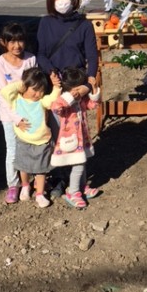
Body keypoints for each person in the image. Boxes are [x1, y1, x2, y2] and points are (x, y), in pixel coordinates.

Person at [37, 0, 99, 195]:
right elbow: (41, 54)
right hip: (54, 86)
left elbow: (92, 55)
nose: (60, 1)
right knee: (58, 134)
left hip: (76, 87)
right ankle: (61, 179)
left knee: (77, 133)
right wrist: (52, 74)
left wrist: (89, 83)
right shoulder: (45, 23)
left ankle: (79, 183)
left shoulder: (84, 25)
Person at [0, 67, 61, 209]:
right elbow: (4, 92)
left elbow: (52, 99)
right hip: (23, 139)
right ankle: (25, 186)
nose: (37, 94)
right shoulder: (16, 99)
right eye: (34, 89)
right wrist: (22, 84)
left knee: (41, 170)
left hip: (42, 141)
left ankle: (40, 193)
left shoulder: (41, 101)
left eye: (41, 90)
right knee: (23, 166)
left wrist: (57, 86)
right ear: (24, 87)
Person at [0, 22, 37, 204]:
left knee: (33, 146)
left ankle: (34, 180)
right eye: (12, 41)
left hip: (31, 112)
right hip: (9, 115)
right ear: (3, 42)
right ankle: (13, 185)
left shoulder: (31, 59)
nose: (16, 46)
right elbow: (4, 95)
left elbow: (36, 86)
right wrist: (16, 118)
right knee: (13, 149)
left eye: (20, 41)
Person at [50, 66, 101, 210]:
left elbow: (94, 104)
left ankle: (82, 186)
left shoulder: (81, 100)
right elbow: (55, 107)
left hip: (82, 139)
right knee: (78, 165)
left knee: (82, 162)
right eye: (77, 88)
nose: (79, 91)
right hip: (70, 140)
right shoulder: (63, 100)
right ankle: (73, 192)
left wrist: (95, 89)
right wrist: (69, 97)